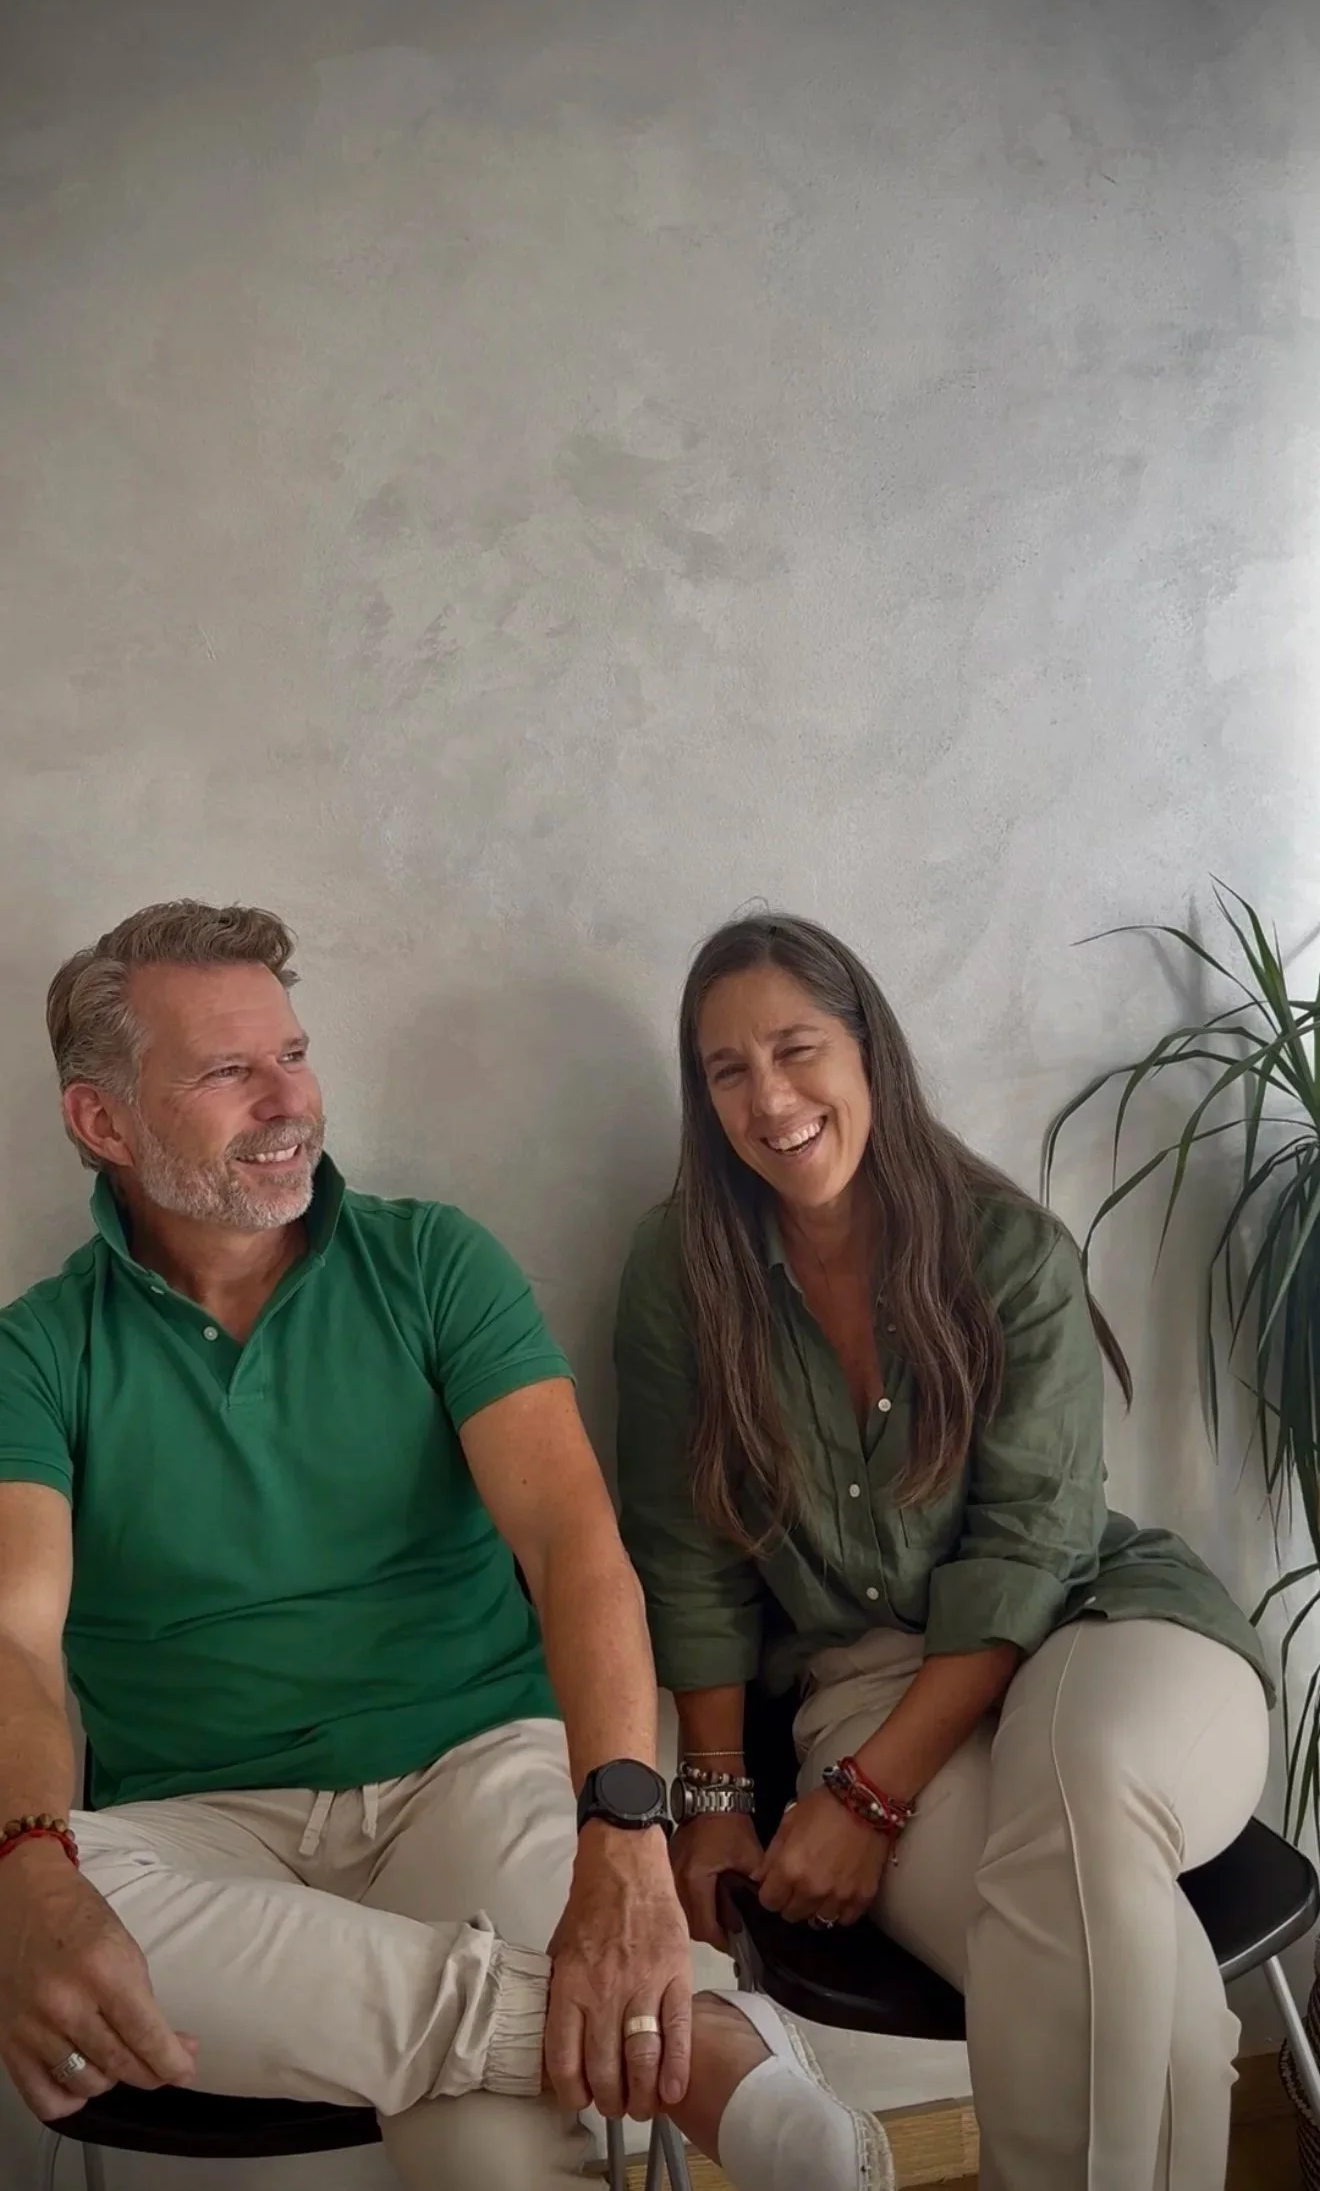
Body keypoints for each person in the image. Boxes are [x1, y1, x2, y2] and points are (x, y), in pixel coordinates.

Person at [0, 900, 893, 2191]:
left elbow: (574, 1542)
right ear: (103, 1122)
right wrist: (30, 1863)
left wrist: (623, 1825)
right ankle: (693, 2042)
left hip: (472, 1768)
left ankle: (572, 2027)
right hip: (202, 1820)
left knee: (486, 2155)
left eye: (293, 1054)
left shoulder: (431, 1262)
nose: (289, 1101)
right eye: (229, 1070)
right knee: (34, 1899)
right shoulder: (35, 1353)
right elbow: (16, 1641)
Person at [615, 911, 1274, 2191]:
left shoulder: (1006, 1248)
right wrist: (717, 1799)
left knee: (1083, 1782)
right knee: (1133, 1986)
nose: (770, 1098)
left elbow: (1034, 1547)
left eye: (798, 1049)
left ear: (869, 1049)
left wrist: (866, 1799)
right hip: (861, 1677)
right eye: (727, 1069)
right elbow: (687, 1552)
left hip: (1100, 1625)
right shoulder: (680, 1273)